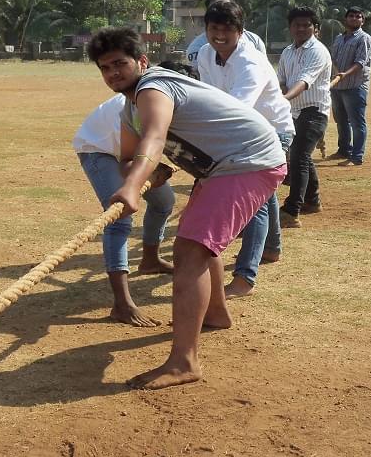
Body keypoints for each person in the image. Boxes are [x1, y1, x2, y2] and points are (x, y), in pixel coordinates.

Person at [89, 27, 286, 390]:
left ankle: (184, 362)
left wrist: (132, 189)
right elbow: (132, 153)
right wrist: (143, 175)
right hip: (228, 166)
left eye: (120, 63)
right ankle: (215, 314)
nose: (113, 72)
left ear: (141, 62)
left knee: (189, 251)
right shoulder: (130, 106)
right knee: (196, 240)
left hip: (248, 162)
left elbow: (155, 137)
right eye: (105, 68)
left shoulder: (153, 87)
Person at [195, 0, 294, 298]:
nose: (220, 36)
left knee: (255, 203)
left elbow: (238, 110)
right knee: (265, 194)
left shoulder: (251, 62)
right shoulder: (204, 54)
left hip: (271, 133)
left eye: (227, 30)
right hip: (240, 131)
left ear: (240, 31)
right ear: (206, 30)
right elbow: (210, 96)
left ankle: (245, 277)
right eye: (214, 29)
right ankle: (272, 248)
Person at [74, 94, 176, 327]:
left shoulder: (177, 100)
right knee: (120, 218)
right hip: (99, 149)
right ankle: (122, 304)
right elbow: (136, 151)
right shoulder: (148, 100)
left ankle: (150, 260)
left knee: (164, 201)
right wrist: (150, 169)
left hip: (132, 152)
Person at [277, 7, 332, 229]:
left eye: (306, 25)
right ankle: (312, 200)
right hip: (293, 111)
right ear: (290, 28)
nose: (301, 28)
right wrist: (282, 95)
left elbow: (304, 81)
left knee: (299, 156)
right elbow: (281, 78)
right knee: (303, 156)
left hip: (314, 111)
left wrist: (284, 98)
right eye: (296, 25)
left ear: (315, 28)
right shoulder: (287, 52)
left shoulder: (318, 51)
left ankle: (292, 210)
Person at [329, 6, 371, 166]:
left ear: (363, 20)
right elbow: (332, 58)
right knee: (341, 120)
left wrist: (344, 74)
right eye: (351, 16)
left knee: (356, 122)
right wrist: (336, 73)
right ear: (345, 19)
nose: (354, 18)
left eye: (358, 16)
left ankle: (356, 156)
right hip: (337, 86)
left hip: (355, 86)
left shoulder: (364, 38)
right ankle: (343, 150)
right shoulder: (339, 38)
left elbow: (361, 62)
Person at [185, 0, 267, 67]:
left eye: (226, 7)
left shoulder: (254, 41)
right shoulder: (198, 48)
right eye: (215, 8)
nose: (221, 12)